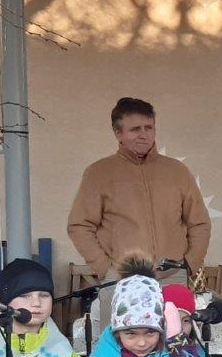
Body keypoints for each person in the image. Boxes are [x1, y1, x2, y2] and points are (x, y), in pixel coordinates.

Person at [67, 97, 211, 327]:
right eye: (135, 129)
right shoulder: (99, 173)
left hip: (171, 277)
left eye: (149, 128)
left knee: (174, 341)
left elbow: (199, 223)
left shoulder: (177, 171)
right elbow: (79, 225)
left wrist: (189, 264)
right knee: (120, 341)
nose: (144, 135)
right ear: (118, 133)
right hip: (121, 279)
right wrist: (105, 268)